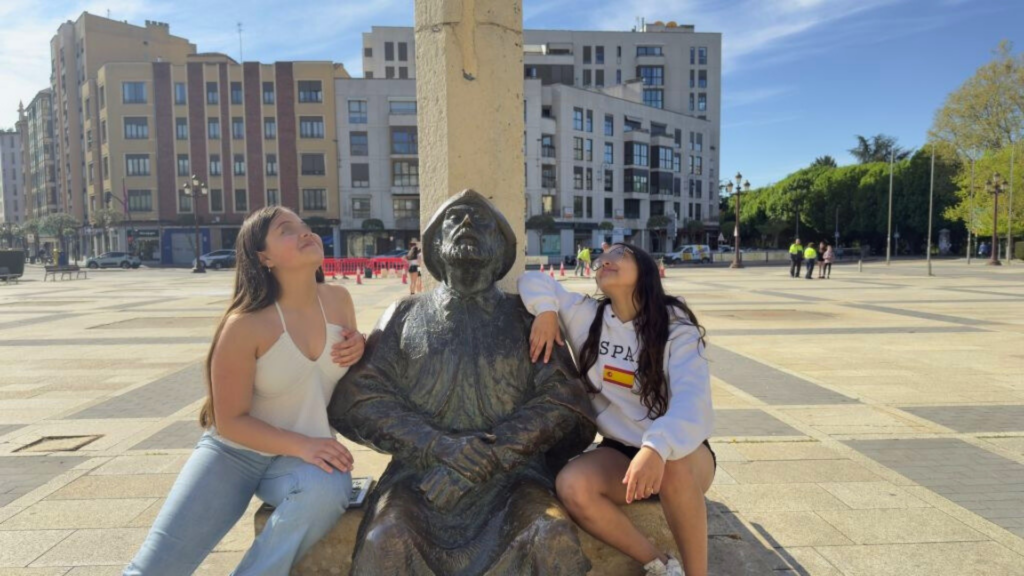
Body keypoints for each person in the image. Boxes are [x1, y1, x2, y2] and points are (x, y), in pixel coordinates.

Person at [328, 190, 596, 575]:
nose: (467, 223)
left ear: (501, 248)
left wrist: (493, 453)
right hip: (421, 478)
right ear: (435, 244)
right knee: (386, 539)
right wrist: (435, 445)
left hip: (514, 479)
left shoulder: (525, 317)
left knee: (550, 533)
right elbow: (357, 398)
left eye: (482, 221)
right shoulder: (404, 314)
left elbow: (564, 400)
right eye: (453, 219)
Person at [124, 207, 366, 576]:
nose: (305, 232)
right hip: (233, 455)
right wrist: (304, 444)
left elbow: (342, 375)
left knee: (329, 487)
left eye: (305, 226)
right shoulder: (244, 325)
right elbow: (231, 421)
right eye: (287, 229)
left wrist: (360, 345)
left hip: (298, 461)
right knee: (155, 569)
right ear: (263, 257)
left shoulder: (338, 300)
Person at [519, 243, 716, 576]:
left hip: (683, 452)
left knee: (674, 465)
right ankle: (662, 566)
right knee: (571, 485)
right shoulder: (587, 317)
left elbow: (692, 402)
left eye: (620, 254)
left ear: (646, 270)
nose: (605, 260)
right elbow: (531, 279)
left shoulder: (676, 327)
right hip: (621, 451)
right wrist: (546, 311)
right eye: (601, 258)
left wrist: (657, 448)